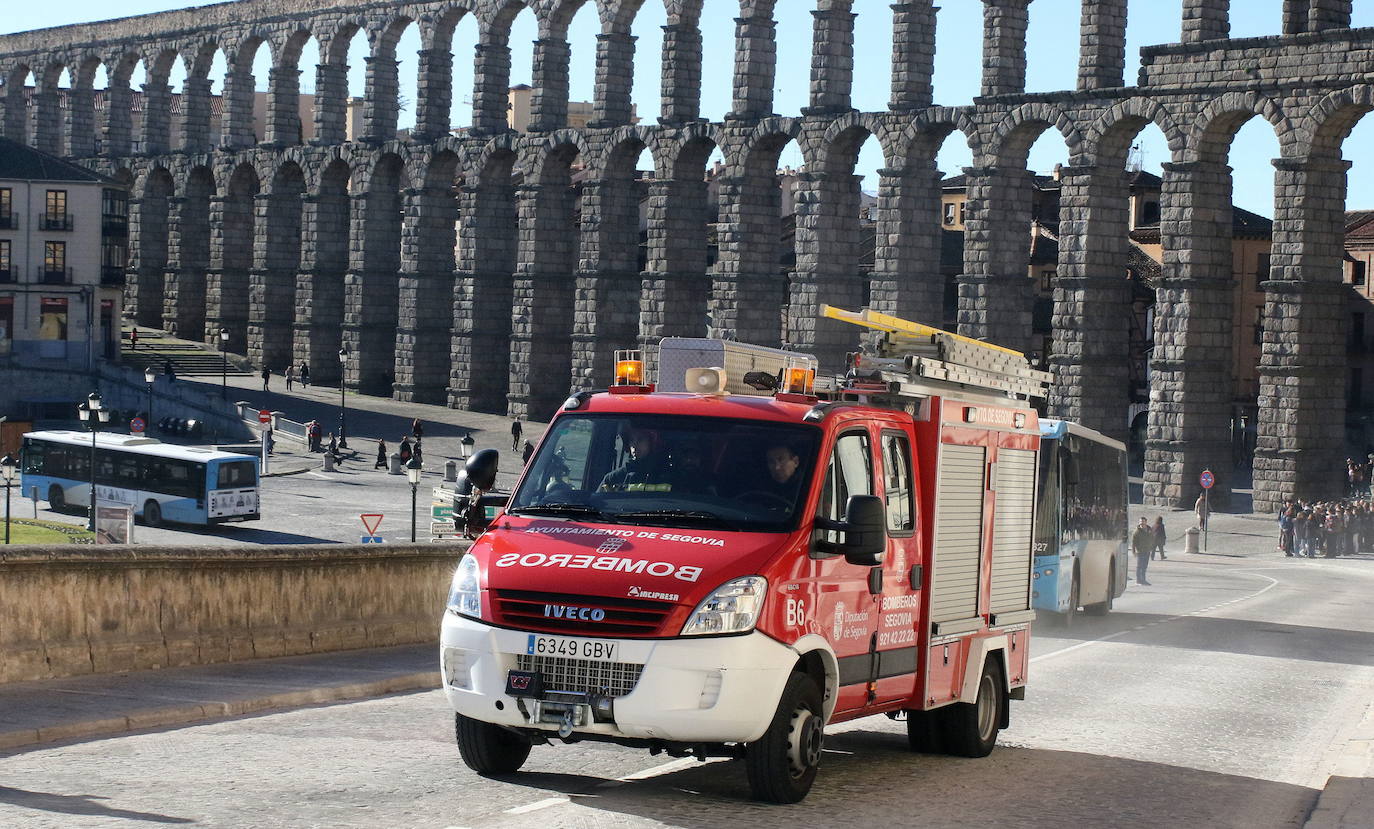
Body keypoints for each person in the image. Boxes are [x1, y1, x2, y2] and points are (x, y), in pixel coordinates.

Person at [599, 429, 664, 490]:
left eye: (640, 440)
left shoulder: (664, 476)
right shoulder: (612, 479)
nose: (634, 445)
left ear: (651, 442)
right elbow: (597, 501)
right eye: (632, 440)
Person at [1131, 517, 1153, 586]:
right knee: (1139, 566)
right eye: (1140, 521)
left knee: (1144, 566)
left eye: (1143, 521)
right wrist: (1133, 551)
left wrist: (1151, 547)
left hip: (1147, 551)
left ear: (1146, 522)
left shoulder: (1149, 530)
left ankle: (1143, 580)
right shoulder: (1136, 532)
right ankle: (1138, 580)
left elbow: (1152, 538)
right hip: (1140, 551)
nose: (1141, 523)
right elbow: (1133, 543)